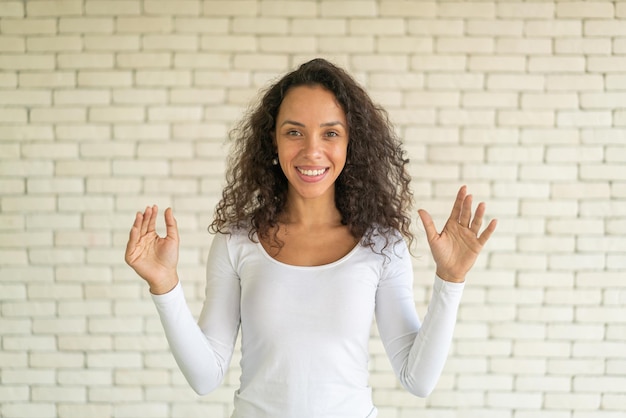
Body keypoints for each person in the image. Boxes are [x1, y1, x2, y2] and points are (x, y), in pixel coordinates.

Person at [125, 58, 497, 418]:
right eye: (294, 132)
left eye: (330, 133)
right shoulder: (237, 243)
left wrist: (450, 280)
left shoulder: (382, 246)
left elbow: (417, 379)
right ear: (273, 141)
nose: (311, 150)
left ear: (353, 143)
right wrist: (165, 285)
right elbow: (205, 377)